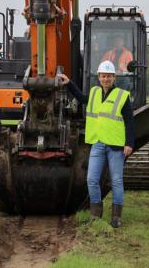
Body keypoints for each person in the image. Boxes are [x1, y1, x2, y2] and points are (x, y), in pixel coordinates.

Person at [57, 60, 135, 228]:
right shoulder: (93, 93)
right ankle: (95, 215)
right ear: (99, 77)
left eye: (109, 76)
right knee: (92, 179)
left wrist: (129, 143)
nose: (106, 79)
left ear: (114, 78)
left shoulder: (122, 96)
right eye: (103, 76)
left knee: (116, 181)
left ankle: (116, 217)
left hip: (115, 145)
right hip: (98, 143)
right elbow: (81, 97)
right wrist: (69, 83)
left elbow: (129, 121)